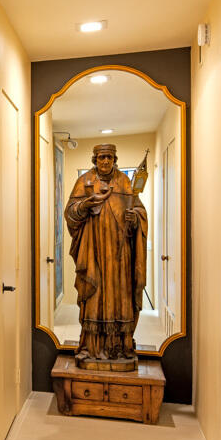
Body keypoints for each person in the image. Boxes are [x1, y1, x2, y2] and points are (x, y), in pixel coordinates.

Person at [64, 143, 147, 369]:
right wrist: (85, 205)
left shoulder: (125, 182)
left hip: (120, 254)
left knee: (121, 298)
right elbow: (70, 212)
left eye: (109, 157)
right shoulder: (85, 181)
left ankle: (119, 348)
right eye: (101, 157)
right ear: (95, 159)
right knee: (94, 297)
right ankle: (92, 348)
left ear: (114, 159)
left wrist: (135, 220)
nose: (105, 161)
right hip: (94, 252)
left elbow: (139, 210)